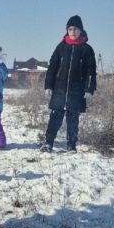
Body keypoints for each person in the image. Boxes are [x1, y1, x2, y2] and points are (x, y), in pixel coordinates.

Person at [41, 15, 96, 152]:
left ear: (81, 31)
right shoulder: (61, 47)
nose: (73, 32)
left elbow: (91, 71)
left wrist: (89, 88)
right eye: (70, 29)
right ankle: (48, 143)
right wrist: (48, 85)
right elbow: (52, 67)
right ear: (67, 30)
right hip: (59, 89)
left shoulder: (87, 49)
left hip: (76, 91)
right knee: (55, 118)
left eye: (75, 29)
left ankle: (71, 145)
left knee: (73, 119)